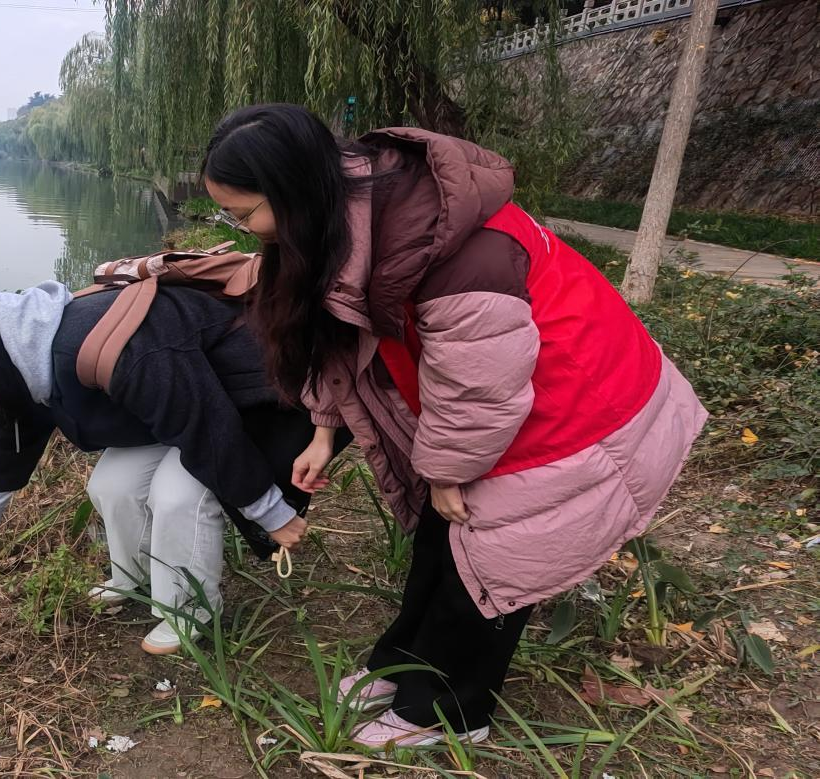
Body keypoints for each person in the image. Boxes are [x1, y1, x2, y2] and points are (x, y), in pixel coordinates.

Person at [200, 104, 707, 749]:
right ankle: (402, 666)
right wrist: (324, 429)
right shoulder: (341, 214)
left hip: (573, 405)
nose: (241, 229)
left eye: (242, 214)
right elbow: (339, 338)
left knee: (490, 558)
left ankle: (450, 714)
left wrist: (447, 470)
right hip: (498, 401)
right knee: (440, 542)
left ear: (291, 189)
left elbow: (480, 388)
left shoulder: (458, 249)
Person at [0, 280, 336, 654]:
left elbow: (205, 425)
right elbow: (8, 448)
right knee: (111, 483)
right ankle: (135, 578)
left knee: (177, 495)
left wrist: (271, 513)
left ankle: (189, 610)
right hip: (181, 410)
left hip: (259, 400)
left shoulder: (106, 343)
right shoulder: (19, 358)